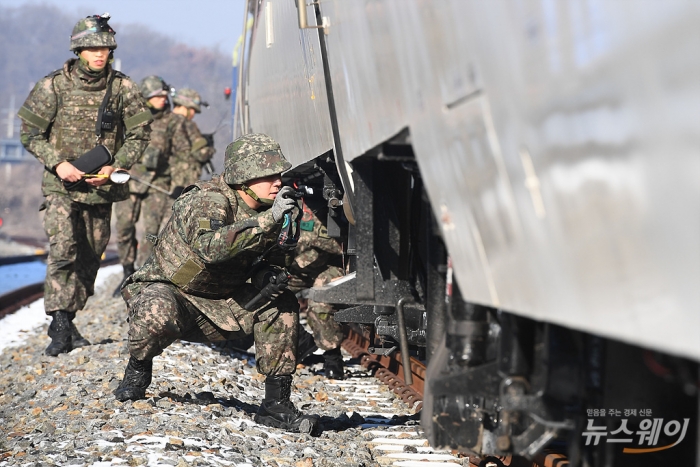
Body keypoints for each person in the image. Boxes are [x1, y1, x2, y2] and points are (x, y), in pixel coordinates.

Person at [114, 133, 318, 434]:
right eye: (268, 175)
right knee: (156, 310)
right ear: (243, 178)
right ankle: (138, 367)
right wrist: (267, 222)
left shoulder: (273, 210)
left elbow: (277, 260)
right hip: (177, 295)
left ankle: (275, 405)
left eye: (279, 174)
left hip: (224, 303)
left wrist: (271, 270)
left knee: (281, 304)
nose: (278, 182)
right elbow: (209, 248)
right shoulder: (208, 199)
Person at [17, 13, 151, 356]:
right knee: (64, 250)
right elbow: (30, 133)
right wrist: (59, 163)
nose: (99, 54)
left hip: (101, 189)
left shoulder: (123, 88)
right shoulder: (53, 87)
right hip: (61, 187)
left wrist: (116, 165)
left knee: (90, 257)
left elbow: (140, 133)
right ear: (79, 50)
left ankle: (69, 317)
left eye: (105, 48)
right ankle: (59, 324)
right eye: (92, 48)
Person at [112, 75, 189, 296]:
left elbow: (183, 155)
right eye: (157, 96)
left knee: (152, 232)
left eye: (164, 95)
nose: (162, 99)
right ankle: (127, 270)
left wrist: (179, 184)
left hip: (158, 184)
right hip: (128, 180)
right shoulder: (129, 117)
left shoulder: (174, 122)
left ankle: (144, 275)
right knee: (124, 227)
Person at [287, 203, 347, 379]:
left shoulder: (329, 206)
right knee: (267, 293)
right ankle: (303, 342)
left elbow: (342, 245)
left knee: (320, 298)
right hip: (297, 267)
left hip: (328, 266)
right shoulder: (282, 207)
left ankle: (333, 358)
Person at [170, 88, 215, 193]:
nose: (193, 114)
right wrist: (208, 146)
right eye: (193, 110)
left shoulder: (163, 121)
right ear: (186, 106)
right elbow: (201, 154)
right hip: (183, 181)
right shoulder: (187, 124)